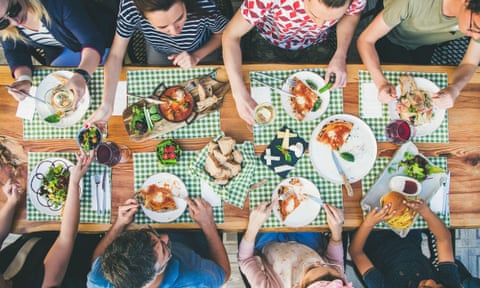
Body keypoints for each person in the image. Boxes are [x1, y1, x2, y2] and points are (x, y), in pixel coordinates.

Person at [85, 0, 228, 132]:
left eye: (180, 18)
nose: (174, 32)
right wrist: (107, 104)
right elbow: (116, 55)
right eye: (163, 26)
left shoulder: (203, 3)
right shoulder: (130, 7)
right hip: (160, 51)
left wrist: (196, 56)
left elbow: (223, 33)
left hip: (202, 49)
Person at [222, 0, 366, 124]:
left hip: (317, 42)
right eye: (315, 15)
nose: (319, 24)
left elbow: (352, 14)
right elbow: (230, 35)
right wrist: (239, 93)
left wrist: (341, 53)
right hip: (268, 40)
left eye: (331, 19)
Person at [357, 0, 480, 109]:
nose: (476, 37)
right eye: (473, 27)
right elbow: (365, 40)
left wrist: (455, 88)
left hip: (425, 44)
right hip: (391, 38)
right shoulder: (412, 2)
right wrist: (381, 83)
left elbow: (470, 62)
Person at [0, 150, 95, 287]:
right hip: (78, 242)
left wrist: (11, 202)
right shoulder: (42, 284)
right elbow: (66, 237)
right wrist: (73, 182)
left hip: (41, 236)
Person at [87, 197, 231, 288]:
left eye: (149, 234)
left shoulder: (98, 281)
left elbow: (97, 260)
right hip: (192, 243)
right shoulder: (196, 279)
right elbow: (224, 274)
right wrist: (208, 224)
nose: (166, 237)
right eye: (162, 248)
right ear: (154, 274)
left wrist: (119, 224)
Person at [0, 0, 115, 106]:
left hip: (100, 40)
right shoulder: (8, 29)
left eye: (14, 9)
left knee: (106, 86)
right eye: (3, 22)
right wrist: (24, 79)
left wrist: (81, 75)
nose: (15, 21)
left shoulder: (57, 4)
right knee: (54, 89)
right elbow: (14, 50)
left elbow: (92, 41)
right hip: (63, 49)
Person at [349, 199, 461, 288]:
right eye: (439, 285)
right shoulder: (451, 284)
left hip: (370, 233)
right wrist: (425, 212)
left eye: (426, 287)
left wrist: (369, 223)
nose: (431, 281)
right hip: (409, 231)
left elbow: (356, 252)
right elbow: (444, 239)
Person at [238, 201, 352, 287]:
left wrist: (253, 227)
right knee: (306, 204)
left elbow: (245, 260)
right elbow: (335, 260)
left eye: (310, 268)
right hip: (307, 244)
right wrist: (337, 232)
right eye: (324, 265)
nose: (318, 262)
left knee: (260, 205)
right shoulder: (336, 279)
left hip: (268, 244)